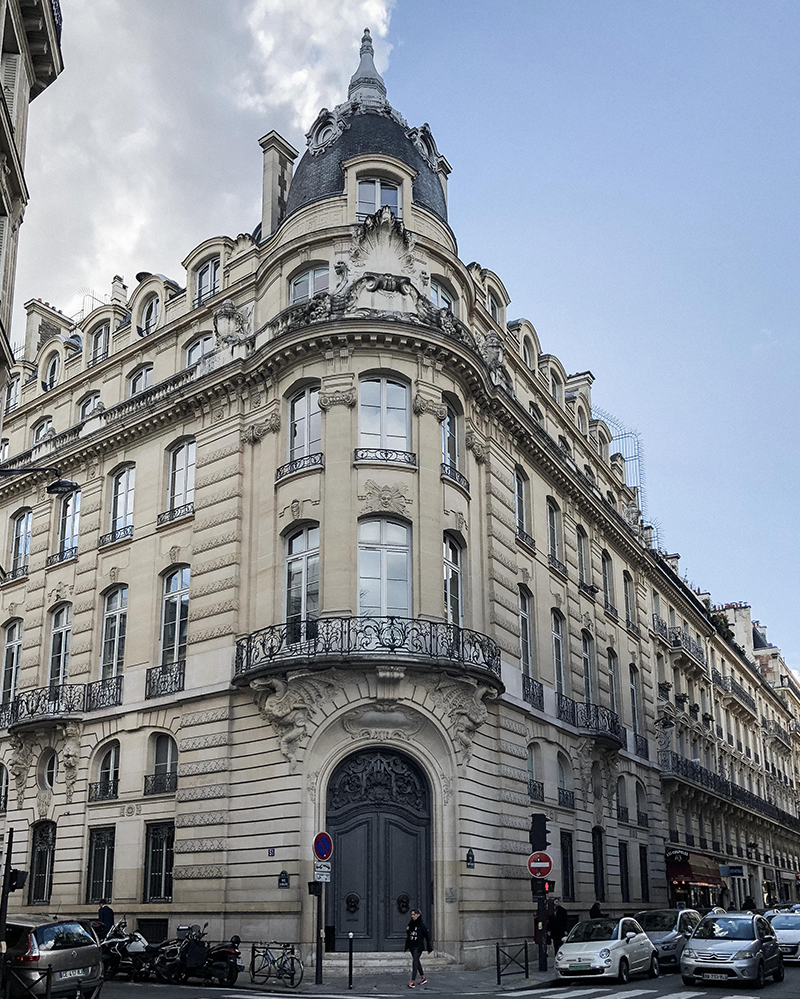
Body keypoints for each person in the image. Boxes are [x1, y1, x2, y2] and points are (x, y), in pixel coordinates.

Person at [404, 908, 432, 988]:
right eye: (412, 914)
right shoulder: (411, 923)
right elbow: (409, 934)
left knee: (415, 962)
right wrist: (408, 930)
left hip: (418, 946)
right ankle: (423, 977)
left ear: (418, 915)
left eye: (414, 914)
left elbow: (427, 936)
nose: (412, 916)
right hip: (412, 945)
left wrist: (429, 946)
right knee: (417, 961)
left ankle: (412, 981)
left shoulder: (421, 925)